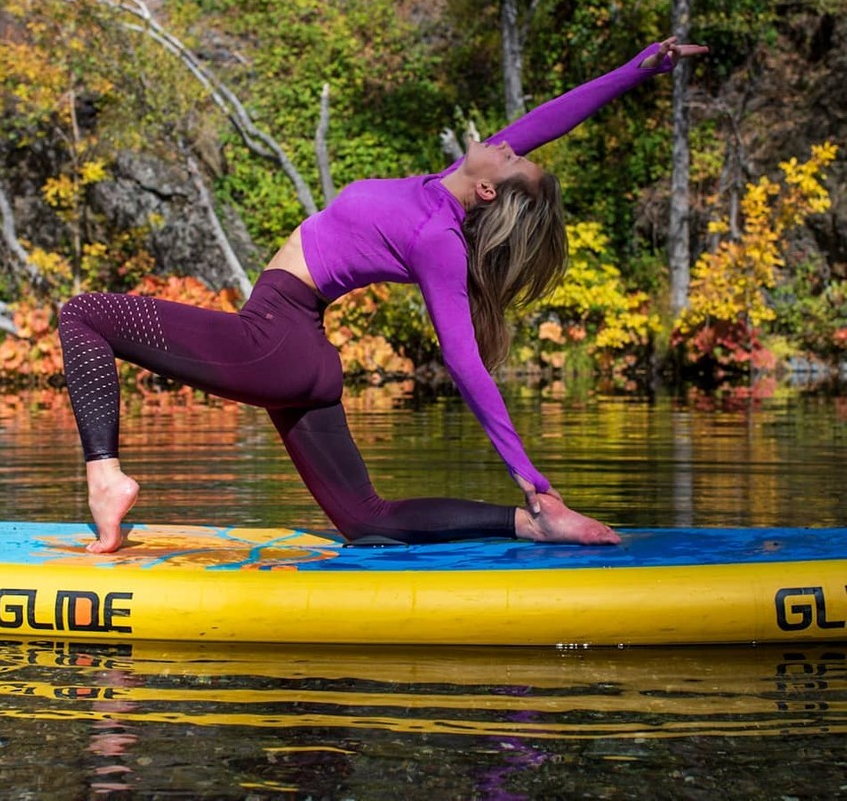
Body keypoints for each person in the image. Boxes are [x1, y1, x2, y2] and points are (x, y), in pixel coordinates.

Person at [58, 36, 708, 554]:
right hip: (299, 351)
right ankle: (529, 526)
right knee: (366, 521)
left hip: (274, 341)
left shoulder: (438, 237)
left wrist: (534, 479)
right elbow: (548, 120)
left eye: (513, 160)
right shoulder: (446, 187)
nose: (509, 145)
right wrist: (640, 68)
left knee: (83, 315)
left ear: (489, 191)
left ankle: (106, 480)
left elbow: (464, 364)